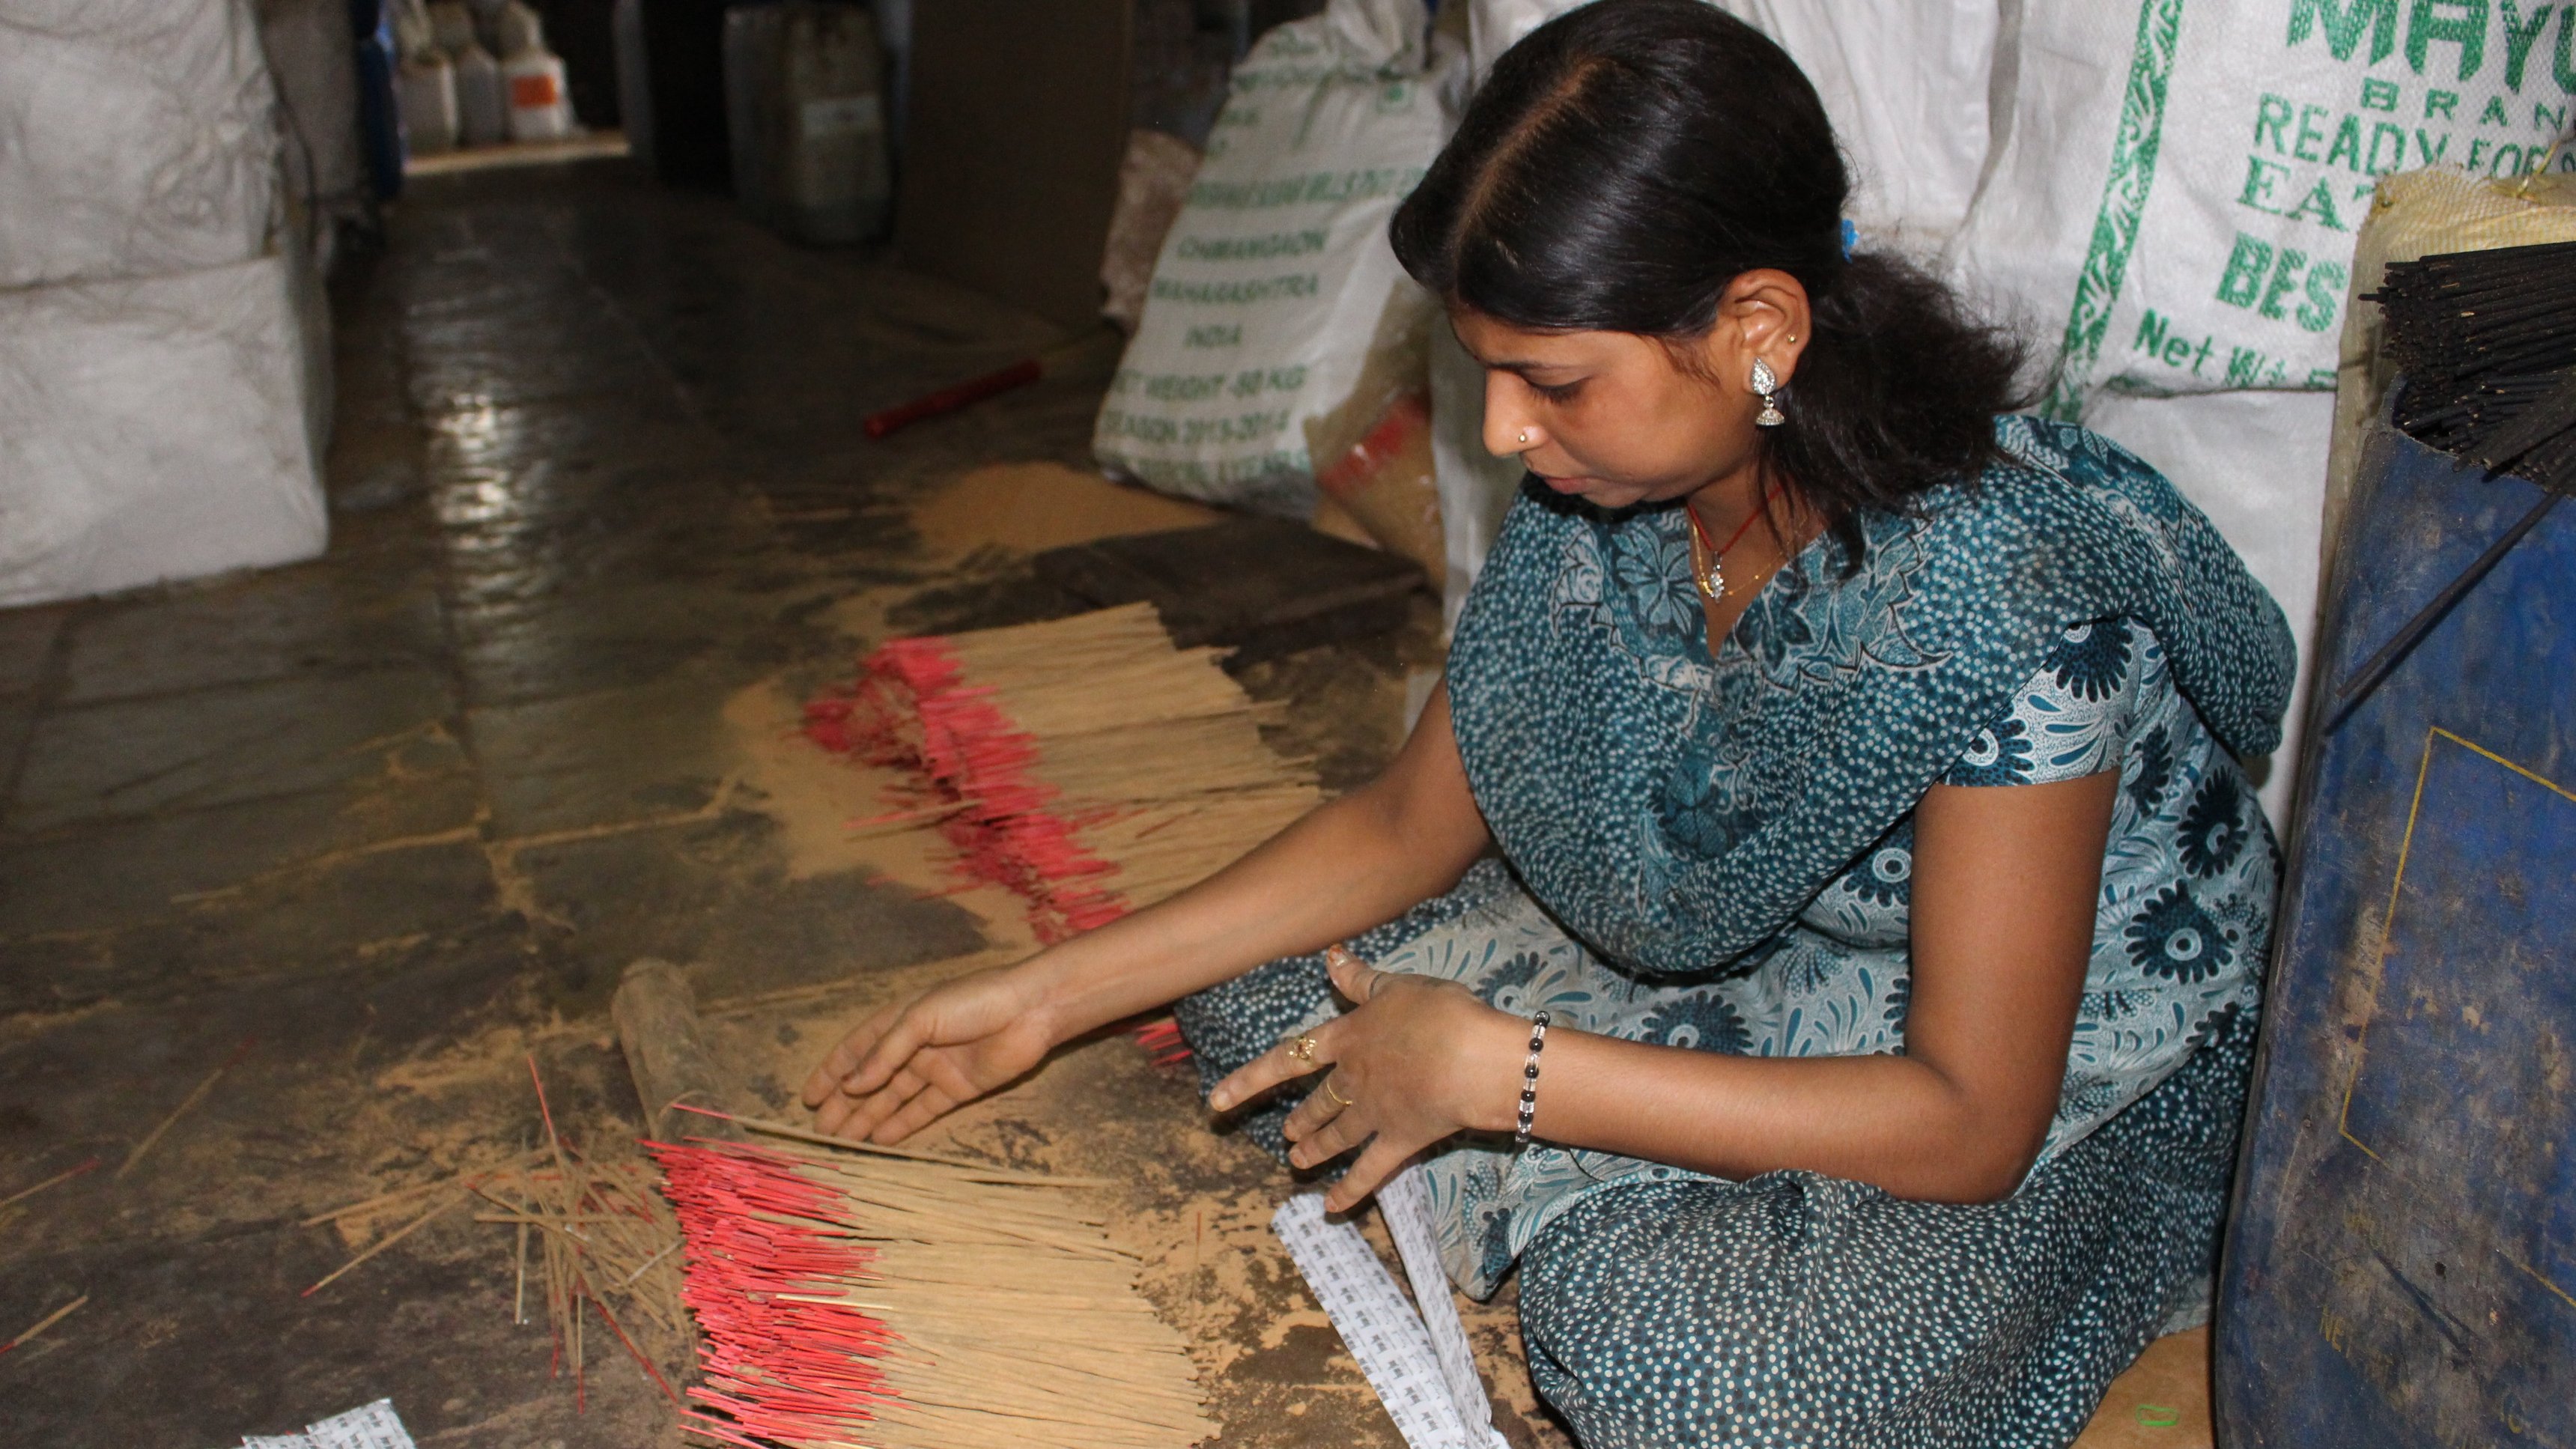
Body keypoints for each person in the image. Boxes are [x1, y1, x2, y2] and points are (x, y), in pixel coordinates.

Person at [801, 2, 2294, 1443]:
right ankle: (1619, 1165)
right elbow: (1404, 822)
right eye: (1491, 371)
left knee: (1675, 1367)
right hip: (1780, 955)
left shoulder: (2002, 604)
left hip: (2053, 1075)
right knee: (1262, 1010)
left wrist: (1500, 1072)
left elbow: (1969, 1119)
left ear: (1757, 327)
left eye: (1553, 378)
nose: (1508, 429)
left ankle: (1613, 1186)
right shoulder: (1623, 485)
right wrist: (1051, 996)